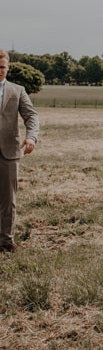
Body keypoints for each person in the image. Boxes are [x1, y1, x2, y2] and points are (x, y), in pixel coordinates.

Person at [0, 50, 39, 253]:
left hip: (9, 152)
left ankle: (6, 241)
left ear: (8, 67)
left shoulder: (18, 90)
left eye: (2, 67)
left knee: (8, 200)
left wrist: (31, 136)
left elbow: (31, 116)